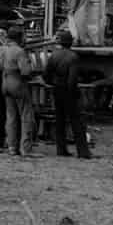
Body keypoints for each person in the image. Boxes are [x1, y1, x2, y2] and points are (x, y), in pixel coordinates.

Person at [47, 27, 91, 159]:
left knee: (60, 121)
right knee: (77, 123)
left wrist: (54, 84)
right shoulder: (73, 57)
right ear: (70, 42)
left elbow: (46, 75)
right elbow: (72, 80)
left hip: (57, 90)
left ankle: (61, 149)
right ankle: (83, 152)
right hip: (69, 93)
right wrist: (72, 93)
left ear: (60, 42)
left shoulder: (54, 55)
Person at [0, 26, 35, 156]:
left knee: (10, 116)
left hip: (4, 83)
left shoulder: (0, 49)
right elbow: (26, 72)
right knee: (26, 116)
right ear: (18, 37)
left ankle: (12, 147)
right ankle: (25, 148)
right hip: (17, 83)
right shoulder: (19, 51)